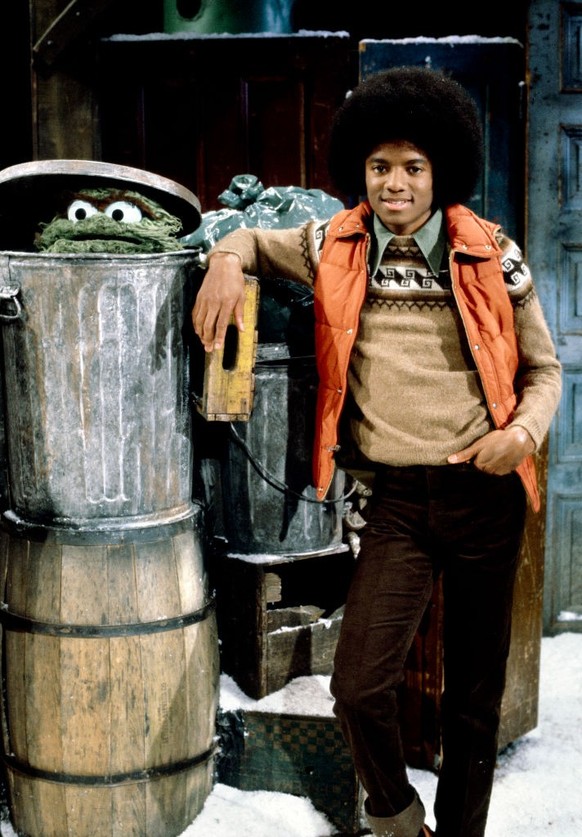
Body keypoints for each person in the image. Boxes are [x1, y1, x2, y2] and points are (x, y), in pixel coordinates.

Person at [192, 66, 562, 837]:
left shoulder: (491, 252)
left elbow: (544, 369)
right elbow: (250, 239)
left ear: (440, 171)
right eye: (380, 166)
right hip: (396, 501)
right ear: (359, 171)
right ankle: (396, 819)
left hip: (482, 494)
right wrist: (226, 260)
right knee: (359, 686)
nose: (396, 183)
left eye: (413, 167)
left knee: (473, 701)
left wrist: (521, 435)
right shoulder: (333, 243)